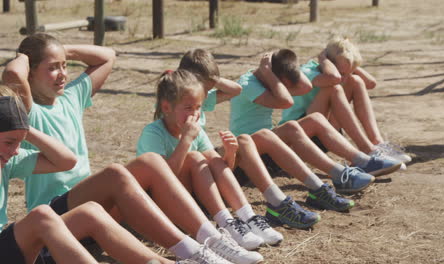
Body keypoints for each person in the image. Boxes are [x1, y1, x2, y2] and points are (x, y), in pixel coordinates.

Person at [3, 33, 256, 264]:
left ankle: (209, 241)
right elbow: (13, 76)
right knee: (115, 172)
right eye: (51, 68)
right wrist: (26, 55)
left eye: (64, 66)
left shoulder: (71, 96)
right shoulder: (26, 111)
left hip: (91, 204)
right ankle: (194, 252)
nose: (62, 74)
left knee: (150, 162)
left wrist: (60, 51)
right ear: (31, 74)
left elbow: (107, 57)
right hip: (58, 208)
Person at [178, 49, 354, 227]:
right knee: (250, 139)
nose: (201, 100)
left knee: (264, 134)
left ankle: (312, 191)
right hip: (196, 180)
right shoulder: (175, 103)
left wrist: (211, 79)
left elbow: (234, 90)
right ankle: (279, 204)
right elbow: (278, 99)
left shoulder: (197, 100)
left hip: (214, 167)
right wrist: (267, 73)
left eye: (206, 91)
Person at [0, 93, 176, 264]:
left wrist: (22, 127)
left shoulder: (9, 161)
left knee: (89, 211)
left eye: (19, 142)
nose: (15, 150)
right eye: (9, 142)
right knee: (41, 216)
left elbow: (66, 161)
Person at [137, 68, 278, 258]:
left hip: (193, 201)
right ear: (166, 107)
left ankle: (245, 219)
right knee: (195, 157)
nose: (194, 114)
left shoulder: (196, 130)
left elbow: (221, 169)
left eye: (198, 107)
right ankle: (224, 226)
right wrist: (186, 140)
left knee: (212, 159)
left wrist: (230, 153)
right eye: (188, 108)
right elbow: (162, 179)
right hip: (163, 206)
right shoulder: (153, 133)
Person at [229, 49, 402, 194]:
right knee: (290, 127)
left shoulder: (267, 78)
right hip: (251, 151)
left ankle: (363, 161)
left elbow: (306, 87)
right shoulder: (248, 84)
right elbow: (286, 101)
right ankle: (341, 175)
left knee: (316, 119)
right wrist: (269, 74)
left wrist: (271, 72)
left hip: (269, 144)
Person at [305, 36, 411, 164]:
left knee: (356, 81)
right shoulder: (309, 72)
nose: (344, 78)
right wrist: (323, 59)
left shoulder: (340, 74)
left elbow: (371, 83)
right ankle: (367, 150)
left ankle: (376, 142)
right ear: (328, 62)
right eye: (342, 73)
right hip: (307, 134)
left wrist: (351, 66)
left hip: (329, 131)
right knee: (333, 88)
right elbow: (334, 78)